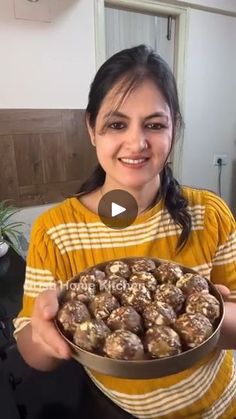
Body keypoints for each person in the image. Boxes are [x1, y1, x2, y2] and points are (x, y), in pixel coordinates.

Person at [14, 45, 236, 418]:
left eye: (154, 124)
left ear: (174, 128)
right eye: (117, 124)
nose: (137, 143)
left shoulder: (210, 214)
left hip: (224, 404)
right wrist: (44, 331)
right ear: (91, 129)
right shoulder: (56, 230)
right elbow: (30, 347)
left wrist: (211, 311)